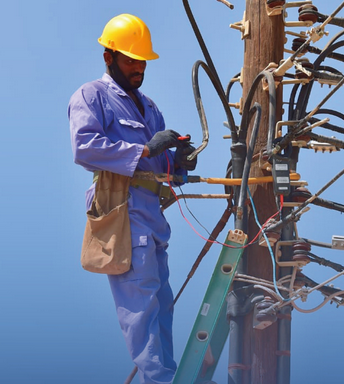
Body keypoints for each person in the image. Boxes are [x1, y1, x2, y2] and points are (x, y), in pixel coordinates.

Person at [68, 14, 196, 384]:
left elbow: (163, 164)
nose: (138, 68)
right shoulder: (92, 96)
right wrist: (143, 150)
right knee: (141, 306)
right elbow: (85, 147)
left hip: (152, 216)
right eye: (129, 60)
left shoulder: (150, 107)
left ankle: (173, 376)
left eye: (141, 61)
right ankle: (160, 380)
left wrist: (179, 161)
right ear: (109, 57)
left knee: (162, 306)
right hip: (122, 210)